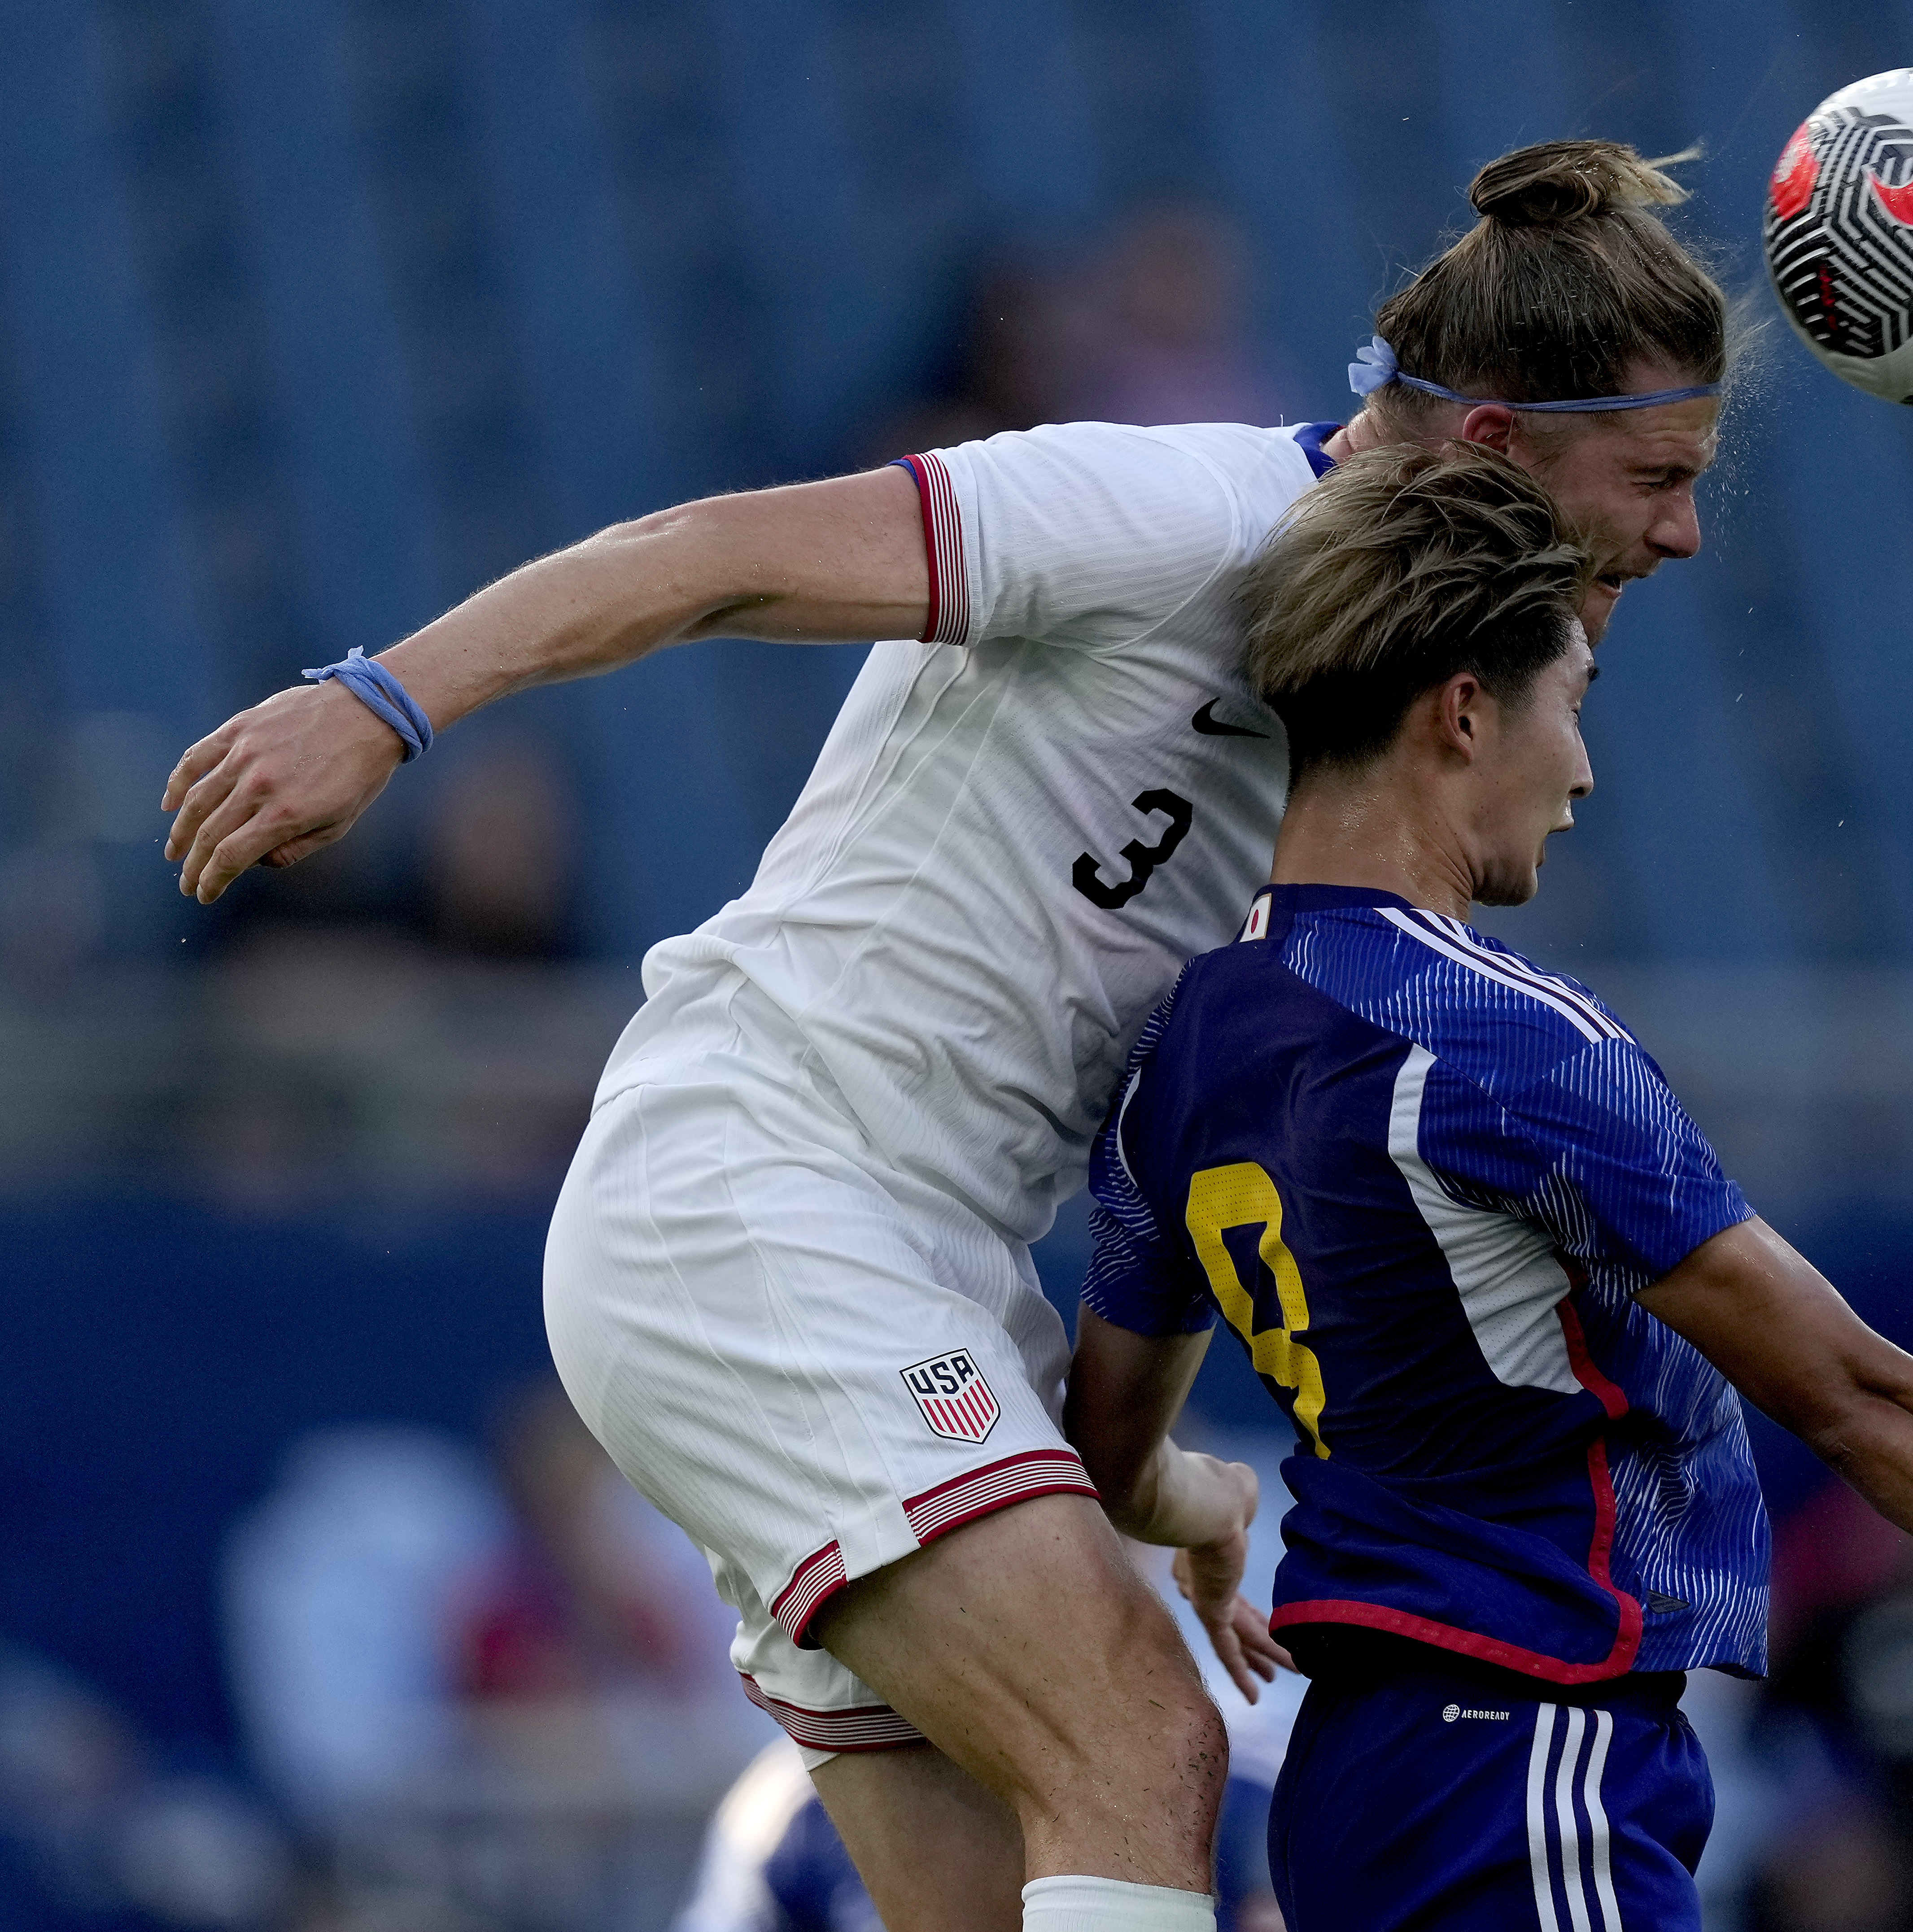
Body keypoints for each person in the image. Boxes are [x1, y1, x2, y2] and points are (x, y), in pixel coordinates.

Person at [160, 139, 1731, 1932]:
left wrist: (1156, 1478)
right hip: (762, 1188)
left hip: (923, 1270)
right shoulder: (1174, 518)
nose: (1684, 528)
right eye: (1662, 474)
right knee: (1140, 1742)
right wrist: (387, 700)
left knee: (1022, 1879)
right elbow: (710, 556)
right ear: (1494, 444)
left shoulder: (1390, 715)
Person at [1066, 443, 1913, 1929]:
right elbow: (1856, 1398)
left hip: (1353, 1783)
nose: (1584, 770)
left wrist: (1204, 1495)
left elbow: (1108, 1450)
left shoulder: (1181, 1050)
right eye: (1573, 702)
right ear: (1464, 711)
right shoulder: (1508, 1037)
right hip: (1529, 1758)